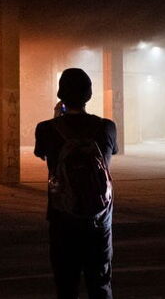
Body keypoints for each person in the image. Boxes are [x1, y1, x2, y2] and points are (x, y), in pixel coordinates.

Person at [35, 68, 117, 299]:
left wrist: (56, 120)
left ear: (61, 95)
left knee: (66, 285)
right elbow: (111, 155)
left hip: (62, 215)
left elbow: (43, 154)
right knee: (100, 283)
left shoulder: (46, 128)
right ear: (88, 95)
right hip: (99, 218)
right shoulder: (107, 127)